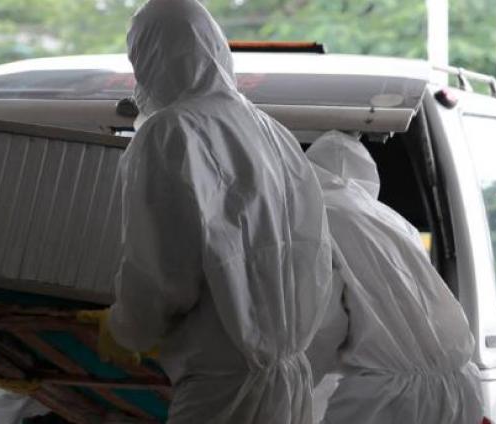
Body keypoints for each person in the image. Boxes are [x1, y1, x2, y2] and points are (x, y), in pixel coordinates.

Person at [99, 0, 333, 422]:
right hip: (288, 378)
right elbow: (312, 249)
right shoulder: (269, 130)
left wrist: (125, 328)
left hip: (220, 389)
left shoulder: (170, 131)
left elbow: (162, 273)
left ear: (152, 55)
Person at [304, 130, 482, 424]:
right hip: (460, 386)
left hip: (390, 396)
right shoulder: (393, 220)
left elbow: (325, 325)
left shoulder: (320, 219)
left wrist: (285, 385)